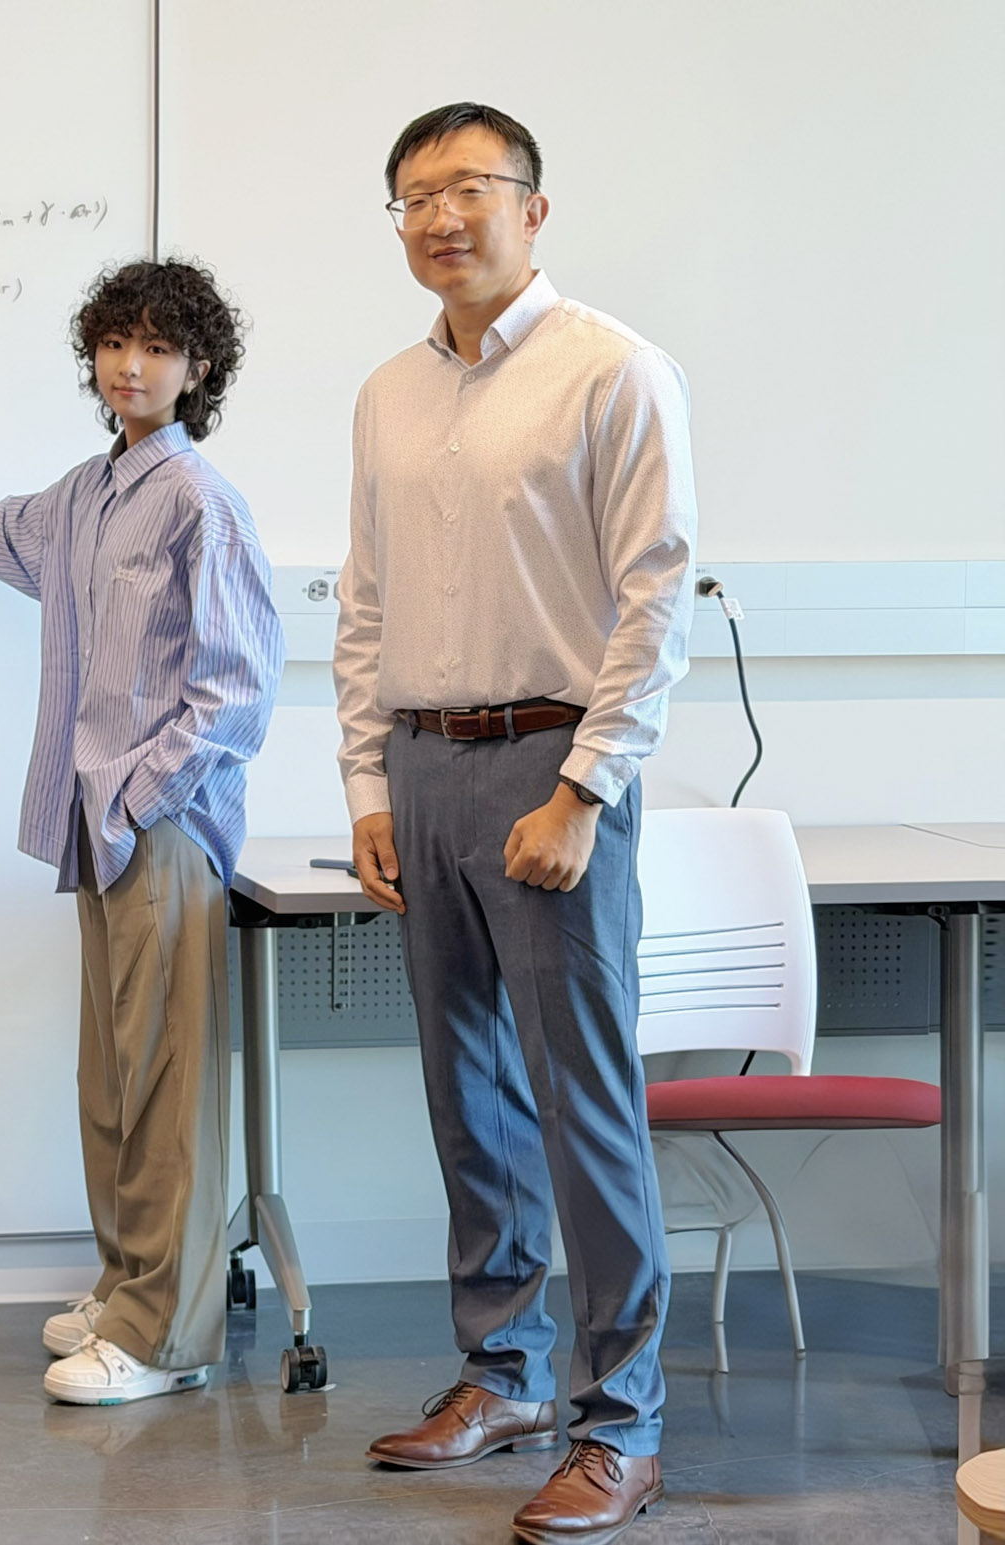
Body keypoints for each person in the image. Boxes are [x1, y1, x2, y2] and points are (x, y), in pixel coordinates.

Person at [333, 103, 695, 1543]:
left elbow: (658, 596)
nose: (442, 218)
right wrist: (367, 783)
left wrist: (586, 788)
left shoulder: (613, 370)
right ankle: (503, 1375)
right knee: (467, 1098)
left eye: (472, 189)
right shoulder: (386, 393)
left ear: (533, 210)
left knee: (580, 1100)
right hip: (423, 770)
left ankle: (626, 1424)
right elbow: (364, 602)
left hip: (552, 766)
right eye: (415, 198)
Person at [0, 260, 283, 1405]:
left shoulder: (200, 501)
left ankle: (166, 1337)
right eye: (113, 344)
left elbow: (236, 693)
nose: (130, 365)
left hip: (158, 829)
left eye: (156, 348)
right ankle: (127, 1284)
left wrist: (140, 797)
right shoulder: (88, 494)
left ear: (198, 370)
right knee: (111, 1073)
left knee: (163, 1086)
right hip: (97, 827)